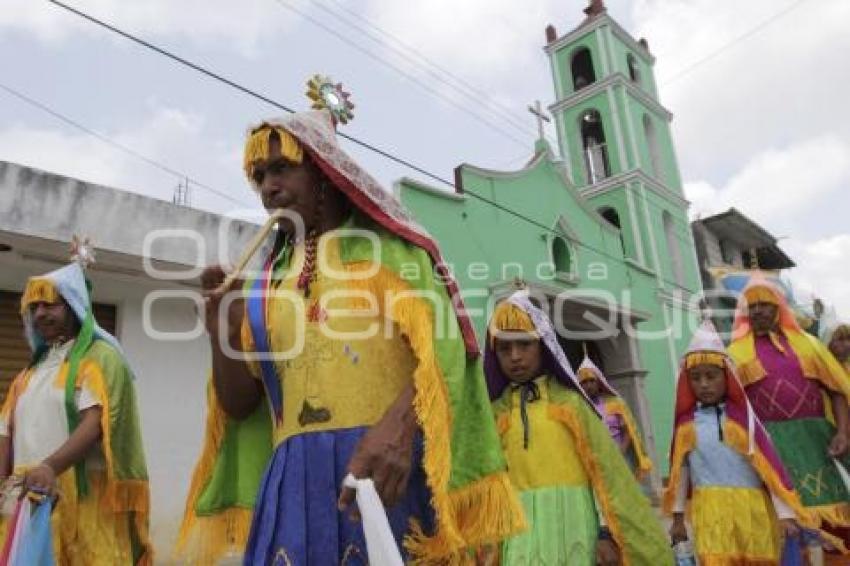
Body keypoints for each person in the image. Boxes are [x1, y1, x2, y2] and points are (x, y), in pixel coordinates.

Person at [178, 99, 524, 564]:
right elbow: (240, 406)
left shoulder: (392, 253)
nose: (268, 187)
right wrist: (221, 327)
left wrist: (400, 430)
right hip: (293, 479)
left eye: (281, 168)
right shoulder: (265, 284)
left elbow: (449, 351)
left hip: (387, 470)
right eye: (259, 175)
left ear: (323, 172)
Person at [485, 291, 672, 565]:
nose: (515, 356)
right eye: (504, 348)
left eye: (524, 344)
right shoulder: (496, 414)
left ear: (543, 346)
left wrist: (605, 532)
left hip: (574, 526)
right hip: (518, 533)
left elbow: (604, 474)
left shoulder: (571, 405)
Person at [0, 242, 151, 565]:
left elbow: (95, 422)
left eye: (51, 305)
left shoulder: (100, 358)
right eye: (35, 307)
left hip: (80, 501)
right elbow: (6, 431)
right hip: (25, 502)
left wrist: (50, 467)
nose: (41, 313)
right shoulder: (30, 371)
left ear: (73, 305)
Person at [665, 320, 818, 565]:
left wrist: (785, 515)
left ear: (727, 377)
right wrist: (677, 519)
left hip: (753, 511)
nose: (703, 384)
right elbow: (680, 472)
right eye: (695, 377)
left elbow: (770, 472)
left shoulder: (746, 423)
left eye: (711, 376)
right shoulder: (685, 427)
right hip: (710, 513)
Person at [728, 275, 850, 561]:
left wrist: (843, 432)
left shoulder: (809, 344)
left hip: (817, 443)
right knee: (786, 523)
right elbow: (733, 410)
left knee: (834, 522)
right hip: (769, 448)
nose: (757, 311)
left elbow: (836, 391)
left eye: (764, 304)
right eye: (752, 305)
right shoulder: (734, 353)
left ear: (779, 307)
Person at [576, 350, 653, 479]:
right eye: (584, 382)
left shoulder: (614, 403)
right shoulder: (578, 407)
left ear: (599, 382)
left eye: (591, 381)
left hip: (618, 457)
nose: (588, 386)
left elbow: (627, 430)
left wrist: (620, 452)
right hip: (594, 461)